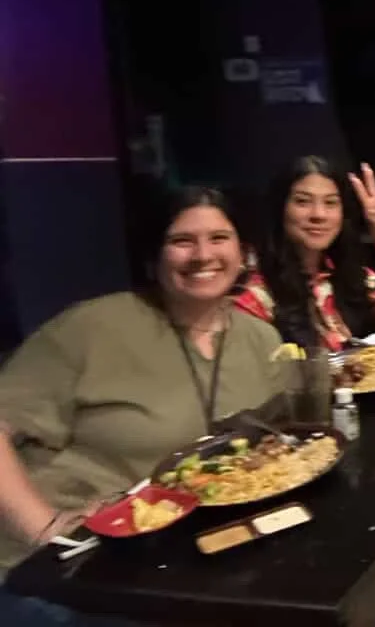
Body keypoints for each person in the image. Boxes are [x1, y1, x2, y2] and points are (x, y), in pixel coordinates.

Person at [0, 186, 286, 624]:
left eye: (219, 238)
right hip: (64, 574)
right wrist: (45, 527)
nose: (202, 254)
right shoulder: (91, 327)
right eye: (181, 240)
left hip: (171, 562)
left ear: (243, 252)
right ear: (154, 256)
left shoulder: (260, 339)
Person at [233, 156, 375, 350]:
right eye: (303, 201)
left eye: (330, 202)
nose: (319, 215)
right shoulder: (256, 294)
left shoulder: (349, 275)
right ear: (281, 209)